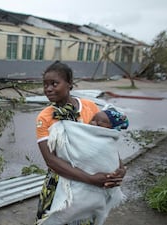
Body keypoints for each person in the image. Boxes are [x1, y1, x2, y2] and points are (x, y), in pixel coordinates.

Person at [35, 61, 127, 225]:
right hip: (61, 181)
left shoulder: (90, 107)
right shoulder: (45, 117)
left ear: (69, 84)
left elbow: (106, 141)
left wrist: (119, 168)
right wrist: (91, 179)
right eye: (45, 85)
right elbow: (50, 160)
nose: (48, 89)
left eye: (54, 83)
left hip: (94, 179)